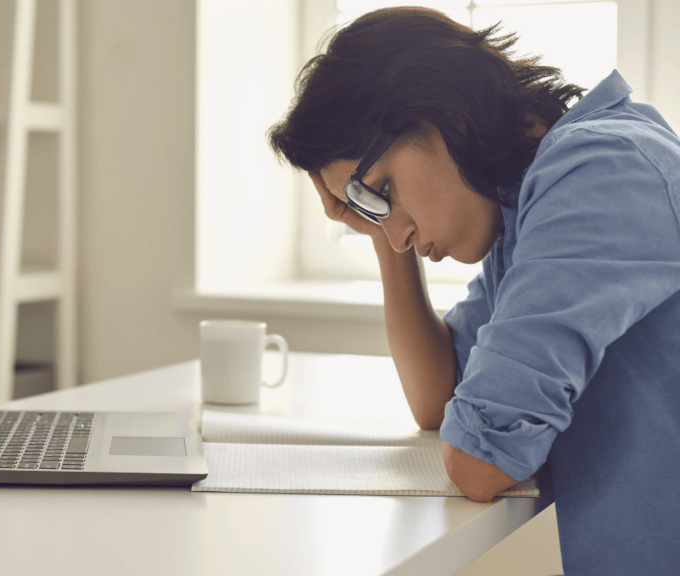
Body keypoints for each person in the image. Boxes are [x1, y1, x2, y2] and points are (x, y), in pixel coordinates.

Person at [267, 7, 680, 575]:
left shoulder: (600, 174)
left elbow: (480, 463)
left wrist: (383, 213)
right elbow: (437, 399)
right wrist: (383, 232)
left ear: (441, 113)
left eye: (382, 189)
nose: (398, 229)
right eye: (366, 206)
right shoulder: (526, 207)